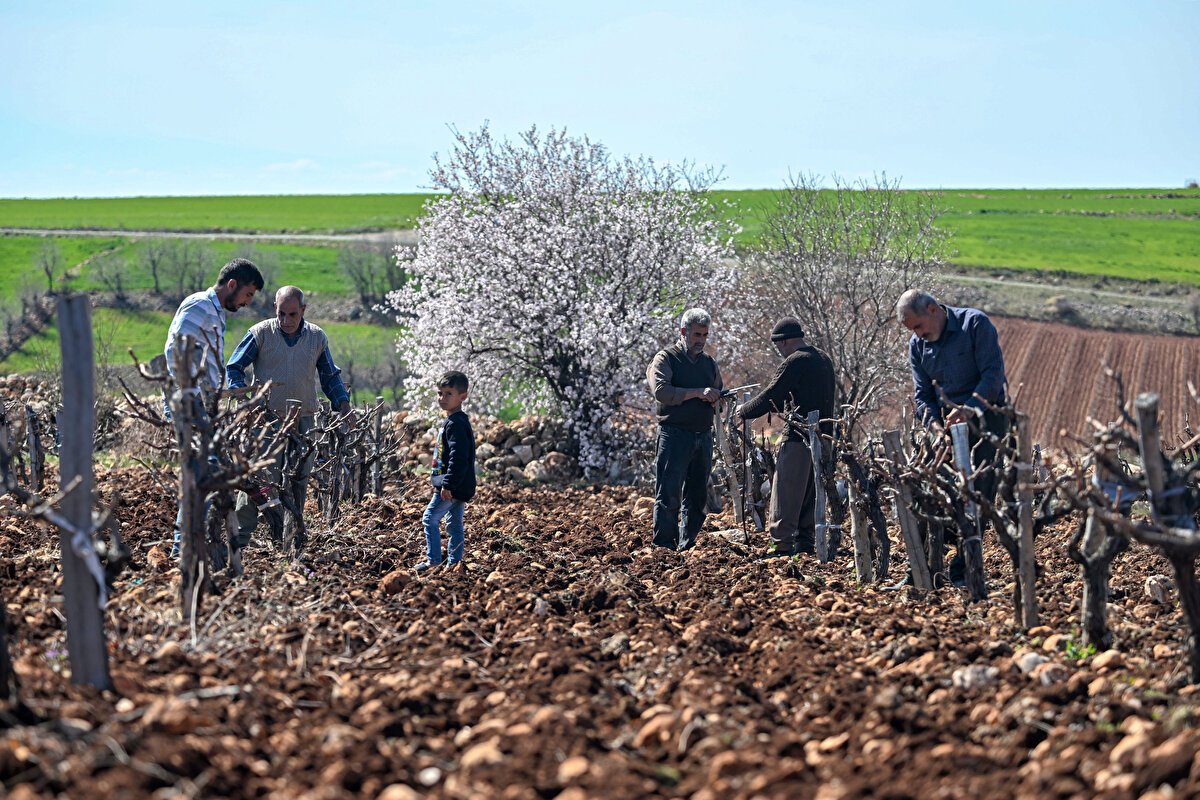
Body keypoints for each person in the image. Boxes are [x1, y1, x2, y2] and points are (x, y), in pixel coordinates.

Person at [226, 285, 353, 557]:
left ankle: (290, 540)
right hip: (266, 421)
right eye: (281, 313)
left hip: (303, 420)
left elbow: (330, 376)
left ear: (303, 311)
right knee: (260, 480)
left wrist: (343, 405)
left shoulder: (317, 338)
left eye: (292, 314)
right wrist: (246, 403)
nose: (286, 320)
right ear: (275, 309)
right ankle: (239, 541)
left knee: (298, 481)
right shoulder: (260, 334)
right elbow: (234, 368)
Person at [896, 289, 1009, 585]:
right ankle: (921, 572)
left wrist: (969, 410)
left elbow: (993, 375)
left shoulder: (974, 325)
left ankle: (963, 570)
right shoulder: (917, 346)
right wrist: (934, 428)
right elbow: (923, 395)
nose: (917, 335)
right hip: (944, 426)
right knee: (928, 493)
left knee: (977, 496)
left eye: (918, 326)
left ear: (933, 310)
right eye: (912, 331)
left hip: (987, 419)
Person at [163, 258, 263, 557]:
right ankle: (184, 552)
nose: (246, 303)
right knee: (203, 480)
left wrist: (215, 392)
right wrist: (194, 392)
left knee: (202, 480)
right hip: (190, 403)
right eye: (247, 294)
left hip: (200, 402)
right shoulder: (201, 306)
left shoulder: (214, 312)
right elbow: (175, 350)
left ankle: (188, 550)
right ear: (231, 284)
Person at [735, 317, 835, 557]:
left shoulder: (796, 360)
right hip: (825, 438)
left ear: (786, 341)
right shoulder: (823, 359)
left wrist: (743, 411)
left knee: (786, 491)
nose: (779, 351)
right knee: (810, 492)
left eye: (779, 346)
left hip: (799, 437)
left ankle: (780, 546)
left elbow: (773, 394)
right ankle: (805, 544)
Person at [646, 308, 723, 551]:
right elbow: (662, 392)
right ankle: (663, 547)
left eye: (705, 335)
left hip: (703, 435)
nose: (701, 340)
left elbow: (717, 392)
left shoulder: (709, 364)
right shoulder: (665, 359)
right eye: (697, 334)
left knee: (697, 496)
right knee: (669, 494)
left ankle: (687, 544)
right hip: (674, 435)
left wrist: (718, 398)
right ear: (683, 331)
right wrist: (698, 393)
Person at [414, 371, 476, 574]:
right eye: (440, 393)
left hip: (451, 485)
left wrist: (448, 484)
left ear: (463, 397)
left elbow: (459, 457)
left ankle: (433, 561)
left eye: (449, 393)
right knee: (454, 525)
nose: (442, 398)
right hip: (458, 484)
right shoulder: (454, 421)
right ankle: (454, 565)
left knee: (429, 518)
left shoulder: (456, 424)